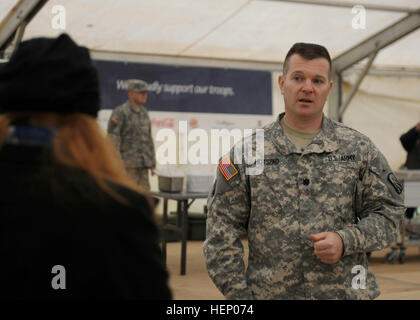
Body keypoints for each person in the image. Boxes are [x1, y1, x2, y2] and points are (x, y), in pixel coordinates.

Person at [203, 42, 405, 300]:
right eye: (298, 77)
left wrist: (346, 240)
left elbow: (390, 213)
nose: (307, 87)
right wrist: (240, 296)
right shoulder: (246, 154)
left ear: (329, 88)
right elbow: (221, 233)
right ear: (281, 82)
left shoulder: (359, 149)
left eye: (318, 80)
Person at [0, 34, 171, 299]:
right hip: (122, 171)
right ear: (86, 120)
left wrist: (150, 163)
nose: (144, 95)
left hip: (137, 166)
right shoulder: (119, 208)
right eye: (140, 91)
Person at [107, 79, 156, 190]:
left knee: (144, 199)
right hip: (127, 167)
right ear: (130, 93)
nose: (144, 95)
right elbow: (113, 140)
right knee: (127, 199)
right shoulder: (121, 112)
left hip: (143, 167)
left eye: (145, 93)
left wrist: (152, 163)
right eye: (141, 93)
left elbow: (148, 139)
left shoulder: (144, 113)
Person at [400, 122, 420, 219]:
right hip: (414, 177)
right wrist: (416, 129)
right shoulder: (416, 133)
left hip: (414, 177)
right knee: (410, 210)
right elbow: (404, 140)